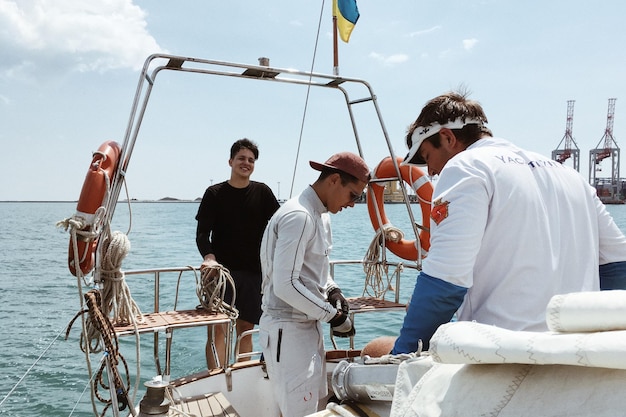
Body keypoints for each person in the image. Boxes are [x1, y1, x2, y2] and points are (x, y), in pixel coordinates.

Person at [391, 91, 626, 355]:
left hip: (503, 356)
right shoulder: (572, 176)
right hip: (576, 352)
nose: (431, 171)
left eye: (427, 156)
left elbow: (446, 281)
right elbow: (618, 266)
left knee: (377, 348)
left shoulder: (466, 167)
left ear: (447, 138)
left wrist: (402, 356)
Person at [258, 151, 370, 417]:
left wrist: (333, 291)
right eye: (353, 195)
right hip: (288, 330)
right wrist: (332, 316)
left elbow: (318, 268)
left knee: (313, 408)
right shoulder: (299, 216)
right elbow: (284, 284)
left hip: (306, 329)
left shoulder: (321, 215)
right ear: (333, 180)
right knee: (300, 411)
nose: (353, 204)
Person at [196, 138, 280, 368]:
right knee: (218, 330)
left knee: (246, 329)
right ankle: (215, 380)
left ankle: (241, 377)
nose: (246, 163)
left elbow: (281, 227)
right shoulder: (214, 193)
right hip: (222, 274)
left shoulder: (263, 193)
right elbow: (202, 235)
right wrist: (209, 258)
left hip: (254, 274)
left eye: (251, 160)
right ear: (231, 161)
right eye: (241, 158)